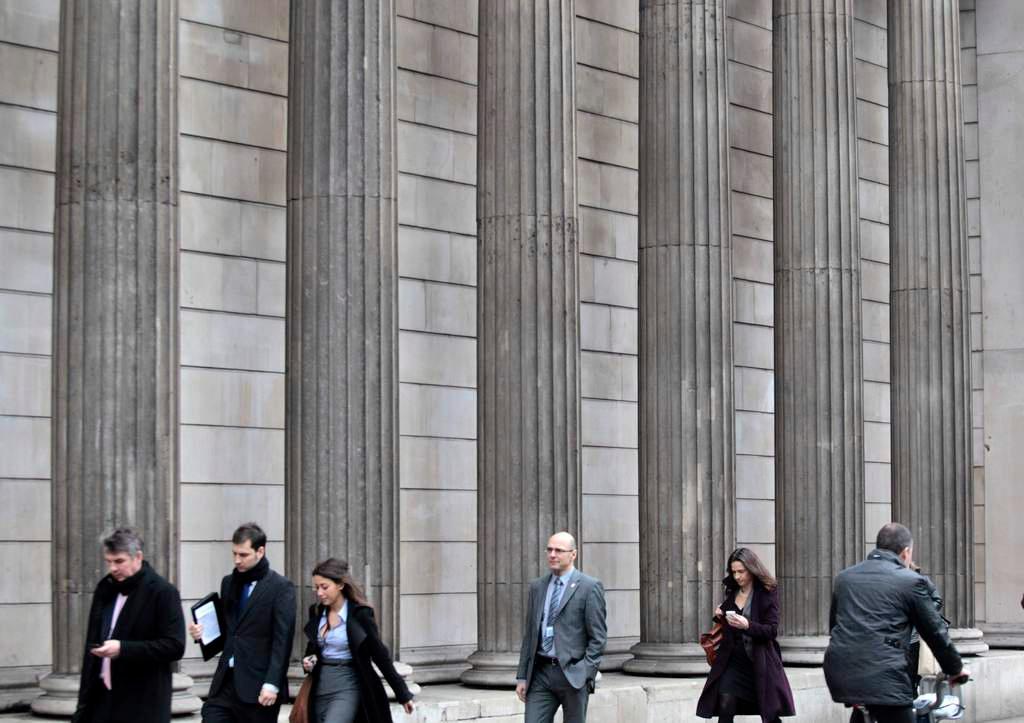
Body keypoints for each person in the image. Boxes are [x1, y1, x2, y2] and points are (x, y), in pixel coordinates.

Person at [824, 523, 969, 723]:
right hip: (885, 673)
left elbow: (834, 626)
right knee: (893, 708)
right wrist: (955, 669)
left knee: (866, 709)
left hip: (841, 672)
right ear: (906, 552)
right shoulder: (909, 581)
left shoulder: (844, 578)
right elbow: (934, 631)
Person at [72, 527, 185, 723]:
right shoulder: (105, 587)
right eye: (109, 562)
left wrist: (123, 649)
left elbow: (174, 646)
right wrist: (83, 708)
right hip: (101, 703)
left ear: (138, 557)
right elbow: (91, 648)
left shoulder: (163, 592)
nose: (113, 568)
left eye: (119, 561)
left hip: (142, 705)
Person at [189, 522, 296, 723]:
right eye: (234, 554)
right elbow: (228, 631)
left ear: (260, 551)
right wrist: (201, 634)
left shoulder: (281, 587)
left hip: (259, 686)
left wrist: (272, 683)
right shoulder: (228, 582)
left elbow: (282, 641)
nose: (237, 560)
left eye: (243, 555)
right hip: (225, 683)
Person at [298, 558, 414, 722]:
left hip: (349, 683)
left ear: (340, 585)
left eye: (324, 587)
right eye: (316, 587)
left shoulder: (360, 614)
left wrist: (403, 694)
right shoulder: (317, 612)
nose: (319, 593)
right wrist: (308, 660)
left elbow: (380, 655)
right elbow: (312, 648)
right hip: (320, 684)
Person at [515, 531, 607, 723]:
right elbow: (530, 635)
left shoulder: (589, 587)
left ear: (573, 554)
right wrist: (522, 676)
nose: (552, 555)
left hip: (573, 675)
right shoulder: (537, 586)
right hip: (540, 673)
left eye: (559, 550)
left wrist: (585, 672)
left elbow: (598, 638)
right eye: (549, 549)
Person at [696, 547, 795, 722]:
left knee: (769, 714)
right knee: (725, 703)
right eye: (733, 572)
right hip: (732, 661)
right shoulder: (731, 590)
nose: (737, 576)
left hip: (759, 661)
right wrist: (721, 616)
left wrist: (748, 625)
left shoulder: (766, 592)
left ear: (751, 568)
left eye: (741, 572)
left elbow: (771, 630)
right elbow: (729, 626)